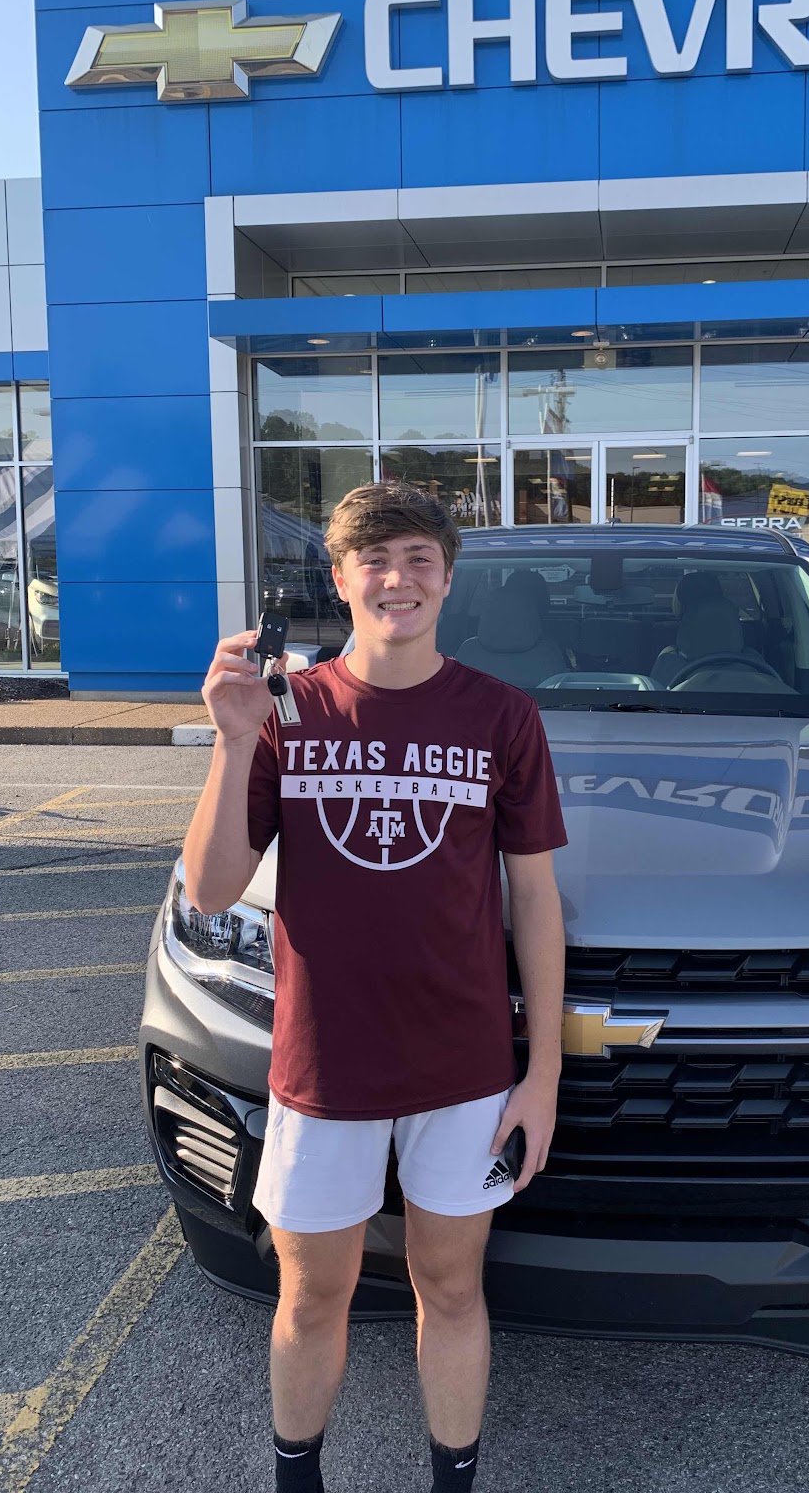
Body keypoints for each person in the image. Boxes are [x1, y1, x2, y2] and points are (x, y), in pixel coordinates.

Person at [182, 481, 567, 1493]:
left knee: (451, 1285)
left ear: (447, 578)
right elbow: (212, 888)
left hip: (465, 1070)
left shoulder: (502, 717)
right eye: (376, 560)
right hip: (323, 1066)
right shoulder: (288, 711)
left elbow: (535, 901)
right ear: (342, 577)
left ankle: (453, 1480)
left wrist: (542, 1077)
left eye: (419, 558)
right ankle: (297, 1478)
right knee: (314, 1295)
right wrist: (232, 738)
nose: (399, 579)